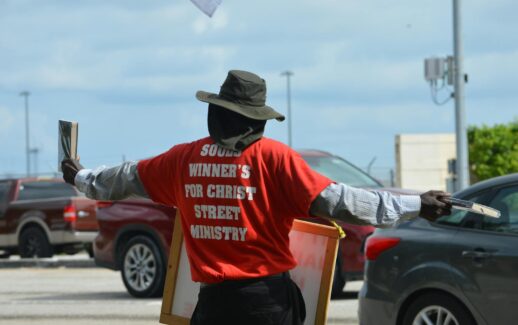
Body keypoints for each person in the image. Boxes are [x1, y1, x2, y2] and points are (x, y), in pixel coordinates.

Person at [61, 70, 451, 325]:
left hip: (212, 307)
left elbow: (122, 179)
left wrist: (81, 177)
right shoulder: (274, 158)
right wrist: (417, 204)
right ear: (255, 119)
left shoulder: (182, 160)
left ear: (218, 113)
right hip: (267, 305)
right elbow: (344, 202)